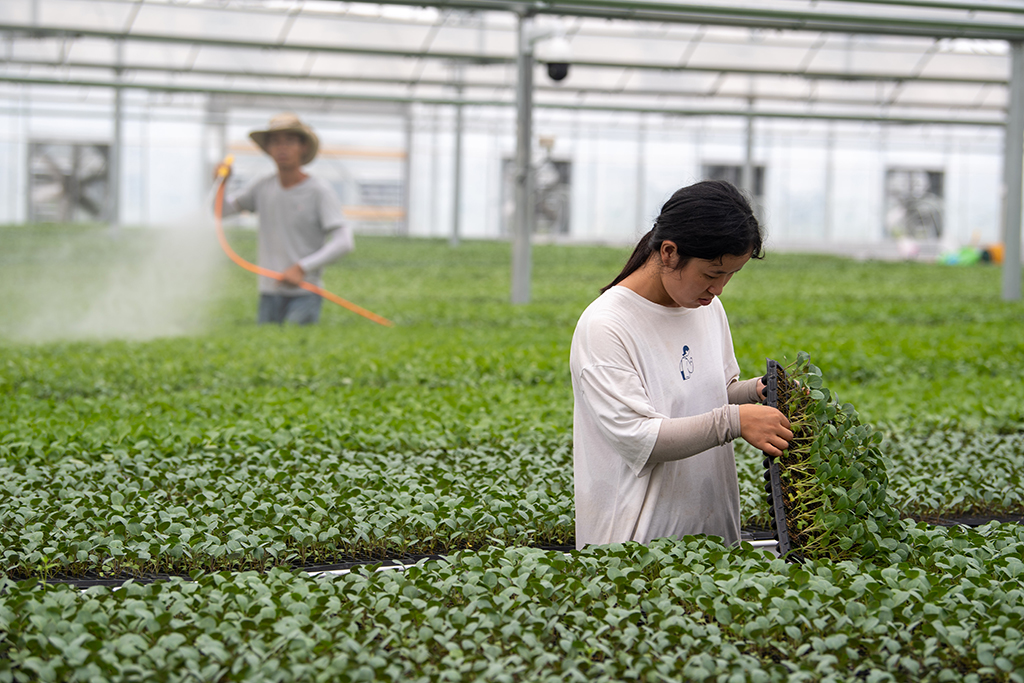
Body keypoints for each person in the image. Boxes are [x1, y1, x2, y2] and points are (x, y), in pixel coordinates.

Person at [570, 179, 793, 550]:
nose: (719, 289)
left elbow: (709, 393)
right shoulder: (606, 325)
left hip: (715, 545)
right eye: (711, 274)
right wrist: (735, 421)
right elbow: (640, 438)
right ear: (670, 253)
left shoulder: (706, 308)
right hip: (635, 558)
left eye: (730, 276)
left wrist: (756, 393)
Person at [219, 112, 353, 325]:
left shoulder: (319, 191)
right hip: (269, 293)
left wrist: (302, 268)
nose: (282, 148)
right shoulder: (263, 187)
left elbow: (344, 242)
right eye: (275, 142)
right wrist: (221, 183)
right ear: (268, 149)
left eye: (289, 141)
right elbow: (221, 211)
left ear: (304, 147)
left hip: (305, 293)